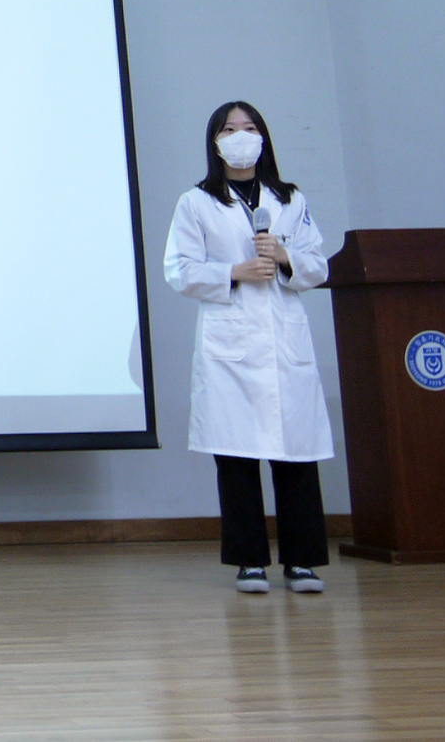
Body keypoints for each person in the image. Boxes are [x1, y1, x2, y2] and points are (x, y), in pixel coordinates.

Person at [164, 101, 332, 595]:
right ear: (215, 142)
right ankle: (249, 561)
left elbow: (319, 264)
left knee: (296, 454)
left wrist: (285, 256)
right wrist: (233, 272)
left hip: (283, 341)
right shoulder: (196, 202)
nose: (241, 136)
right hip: (231, 345)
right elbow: (179, 270)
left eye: (249, 127)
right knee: (236, 458)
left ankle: (302, 562)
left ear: (264, 137)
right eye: (229, 129)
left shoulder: (289, 199)